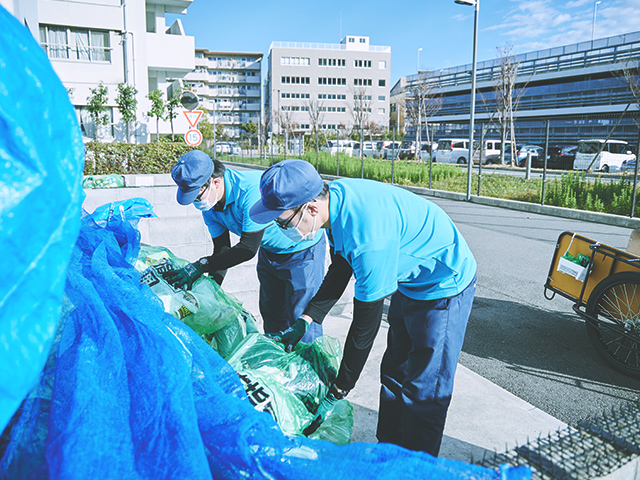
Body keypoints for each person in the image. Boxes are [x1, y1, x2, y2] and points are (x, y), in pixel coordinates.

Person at [249, 159, 477, 456]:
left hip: (443, 287)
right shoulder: (336, 202)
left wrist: (341, 387)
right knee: (395, 371)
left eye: (281, 221)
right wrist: (306, 319)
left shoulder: (370, 238)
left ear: (311, 208)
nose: (280, 229)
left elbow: (364, 327)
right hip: (407, 280)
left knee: (424, 390)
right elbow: (341, 266)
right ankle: (387, 455)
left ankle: (416, 470)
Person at [165, 151, 326, 342]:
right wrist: (211, 293)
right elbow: (222, 251)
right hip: (270, 253)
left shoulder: (250, 190)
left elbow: (248, 248)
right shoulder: (211, 205)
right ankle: (281, 368)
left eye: (197, 195)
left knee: (301, 322)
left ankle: (310, 368)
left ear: (215, 181)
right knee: (272, 315)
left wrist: (199, 266)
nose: (196, 202)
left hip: (302, 253)